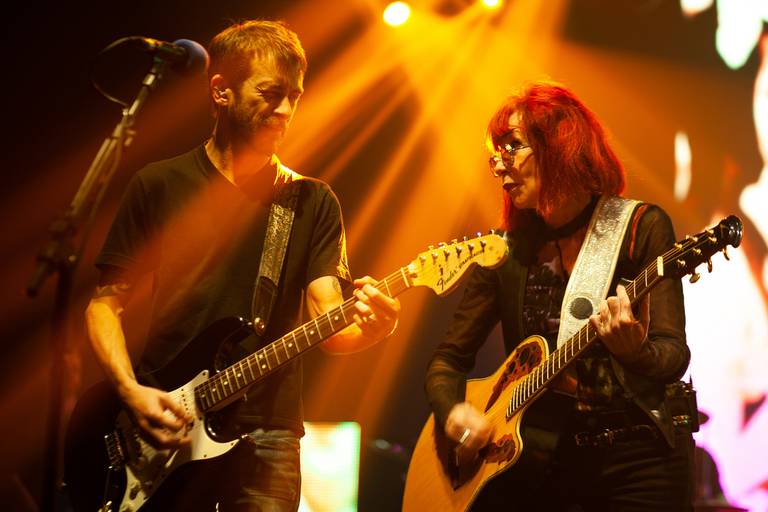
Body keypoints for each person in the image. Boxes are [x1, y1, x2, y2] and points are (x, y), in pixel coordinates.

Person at [82, 20, 400, 511]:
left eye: (294, 96)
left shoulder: (311, 201)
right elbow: (104, 305)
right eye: (270, 94)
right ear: (221, 91)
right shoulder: (159, 184)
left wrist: (375, 330)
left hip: (267, 435)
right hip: (167, 421)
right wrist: (130, 391)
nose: (285, 110)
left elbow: (330, 323)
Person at [424, 81, 694, 510]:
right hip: (544, 462)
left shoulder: (639, 227)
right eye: (496, 154)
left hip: (641, 459)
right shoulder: (507, 251)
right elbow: (447, 360)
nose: (499, 166)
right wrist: (454, 413)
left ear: (559, 146)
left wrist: (635, 352)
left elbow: (673, 354)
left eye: (513, 147)